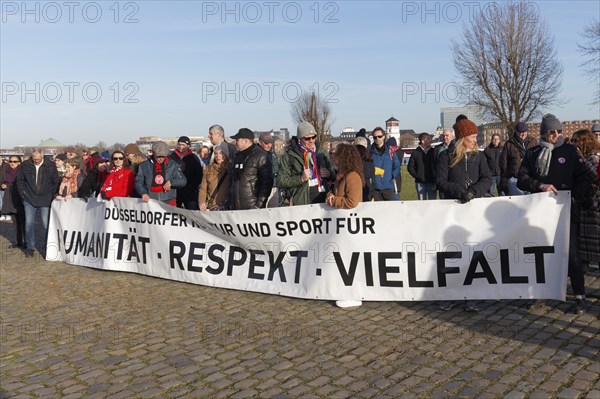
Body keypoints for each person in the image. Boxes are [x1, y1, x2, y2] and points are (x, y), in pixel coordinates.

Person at [518, 114, 591, 314]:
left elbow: (584, 176)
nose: (556, 135)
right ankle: (541, 292)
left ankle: (580, 296)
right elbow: (522, 178)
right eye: (552, 132)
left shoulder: (570, 150)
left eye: (559, 131)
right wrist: (540, 185)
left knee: (573, 255)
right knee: (542, 254)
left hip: (567, 211)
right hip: (541, 214)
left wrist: (575, 196)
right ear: (543, 132)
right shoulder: (532, 153)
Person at [436, 118, 492, 312]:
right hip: (453, 209)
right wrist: (459, 191)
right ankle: (450, 294)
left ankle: (472, 295)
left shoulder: (480, 157)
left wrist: (475, 191)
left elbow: (487, 178)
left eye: (476, 136)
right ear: (462, 138)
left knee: (473, 253)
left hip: (475, 210)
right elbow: (440, 181)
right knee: (453, 253)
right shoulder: (446, 156)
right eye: (472, 136)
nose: (475, 140)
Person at [325, 143, 365, 309]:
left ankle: (354, 295)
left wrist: (335, 201)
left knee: (351, 261)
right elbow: (335, 193)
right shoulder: (342, 176)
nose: (334, 158)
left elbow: (352, 201)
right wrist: (330, 195)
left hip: (351, 225)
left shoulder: (352, 177)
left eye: (337, 155)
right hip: (342, 226)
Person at [16, 149, 60, 258]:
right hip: (29, 198)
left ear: (42, 157)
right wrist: (23, 193)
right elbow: (20, 180)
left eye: (38, 159)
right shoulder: (25, 165)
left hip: (45, 199)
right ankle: (30, 247)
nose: (36, 161)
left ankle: (48, 246)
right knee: (29, 224)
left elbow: (55, 181)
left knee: (46, 224)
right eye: (34, 159)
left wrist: (51, 194)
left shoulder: (50, 165)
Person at [277, 122, 335, 206]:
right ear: (299, 139)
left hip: (324, 199)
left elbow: (333, 175)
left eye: (313, 137)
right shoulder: (288, 156)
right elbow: (280, 181)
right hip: (302, 202)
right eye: (307, 138)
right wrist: (300, 179)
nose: (311, 141)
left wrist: (329, 173)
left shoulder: (322, 152)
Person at [571, 129, 599, 271]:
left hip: (592, 207)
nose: (574, 143)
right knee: (582, 245)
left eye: (577, 140)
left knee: (594, 243)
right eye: (572, 140)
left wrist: (582, 160)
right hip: (580, 205)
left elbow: (595, 178)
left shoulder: (593, 159)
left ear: (585, 142)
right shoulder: (576, 158)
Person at [229, 128, 273, 210]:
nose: (235, 142)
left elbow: (267, 183)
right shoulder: (236, 157)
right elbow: (232, 182)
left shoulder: (261, 156)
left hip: (252, 207)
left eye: (237, 140)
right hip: (236, 209)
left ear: (246, 141)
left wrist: (258, 205)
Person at [136, 141, 187, 206]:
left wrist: (171, 182)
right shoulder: (144, 165)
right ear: (153, 154)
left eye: (163, 156)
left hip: (169, 201)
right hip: (150, 201)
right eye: (158, 156)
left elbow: (183, 181)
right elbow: (138, 182)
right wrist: (143, 193)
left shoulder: (172, 165)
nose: (160, 159)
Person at [500, 122, 537, 196]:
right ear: (516, 131)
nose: (523, 134)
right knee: (517, 202)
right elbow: (503, 161)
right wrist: (508, 175)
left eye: (525, 132)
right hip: (514, 178)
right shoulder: (509, 144)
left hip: (529, 177)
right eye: (521, 132)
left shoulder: (533, 141)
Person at [169, 136, 203, 210]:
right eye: (179, 144)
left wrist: (192, 187)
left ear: (188, 146)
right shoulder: (171, 157)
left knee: (192, 213)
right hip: (175, 191)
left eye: (183, 145)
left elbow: (199, 175)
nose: (181, 147)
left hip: (190, 192)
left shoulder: (193, 158)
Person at [369, 127, 400, 201]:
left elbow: (397, 166)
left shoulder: (391, 151)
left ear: (383, 136)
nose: (377, 139)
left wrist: (392, 175)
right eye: (375, 137)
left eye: (379, 136)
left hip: (388, 187)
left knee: (392, 210)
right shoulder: (369, 152)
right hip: (375, 189)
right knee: (376, 211)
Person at [1, 156, 25, 248]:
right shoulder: (7, 171)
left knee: (23, 221)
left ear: (19, 162)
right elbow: (3, 181)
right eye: (10, 161)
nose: (12, 163)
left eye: (15, 161)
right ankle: (17, 242)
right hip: (10, 198)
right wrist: (3, 185)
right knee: (15, 221)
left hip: (20, 198)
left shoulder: (22, 171)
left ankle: (26, 242)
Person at [198, 143, 230, 211]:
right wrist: (202, 202)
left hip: (226, 207)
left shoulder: (230, 170)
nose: (218, 156)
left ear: (226, 155)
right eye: (216, 153)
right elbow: (203, 188)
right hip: (212, 206)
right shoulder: (208, 169)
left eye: (221, 153)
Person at [408, 132, 437, 200]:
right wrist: (417, 176)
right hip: (420, 183)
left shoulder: (433, 152)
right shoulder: (415, 153)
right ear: (423, 141)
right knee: (421, 204)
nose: (430, 140)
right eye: (428, 139)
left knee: (432, 204)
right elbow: (410, 167)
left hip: (432, 182)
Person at [259, 132, 279, 208]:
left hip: (274, 187)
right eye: (266, 143)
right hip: (262, 188)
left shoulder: (273, 154)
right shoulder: (256, 155)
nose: (269, 145)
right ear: (260, 142)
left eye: (271, 143)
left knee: (274, 211)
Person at [434, 128, 456, 199]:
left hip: (453, 180)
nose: (445, 137)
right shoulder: (437, 148)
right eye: (443, 136)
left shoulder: (457, 148)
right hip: (442, 180)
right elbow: (434, 164)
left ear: (452, 136)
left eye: (447, 135)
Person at [355, 137, 375, 202]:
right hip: (367, 189)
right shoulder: (369, 159)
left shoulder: (352, 159)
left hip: (356, 189)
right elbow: (371, 174)